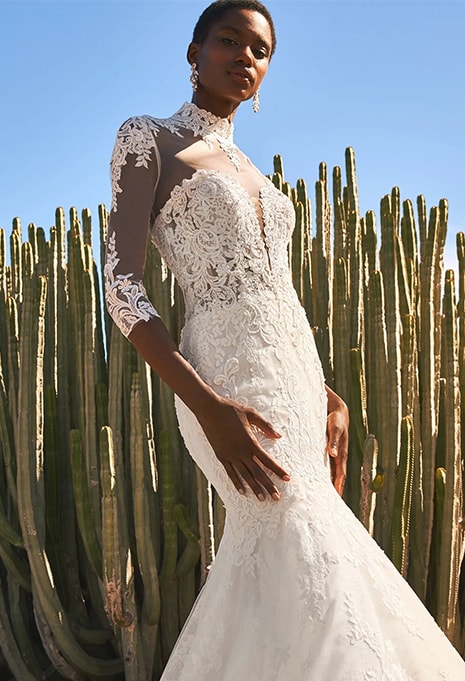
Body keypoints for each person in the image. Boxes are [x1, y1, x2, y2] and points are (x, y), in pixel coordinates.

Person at [104, 1, 465, 678]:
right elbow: (121, 287)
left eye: (260, 50)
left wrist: (327, 391)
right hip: (222, 375)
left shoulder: (254, 172)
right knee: (289, 534)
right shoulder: (146, 137)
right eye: (228, 41)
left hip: (295, 379)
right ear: (194, 53)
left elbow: (277, 295)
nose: (244, 56)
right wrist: (207, 404)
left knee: (300, 555)